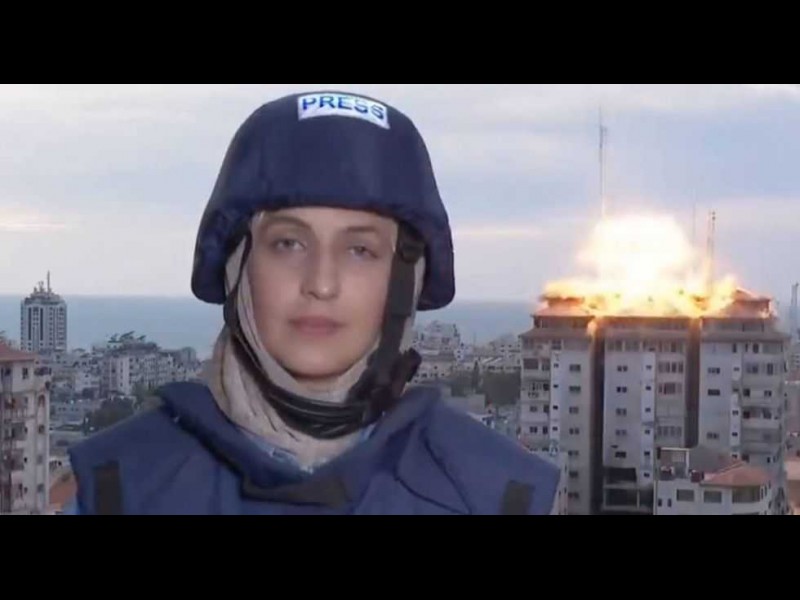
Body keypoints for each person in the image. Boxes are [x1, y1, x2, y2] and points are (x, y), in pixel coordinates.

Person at [65, 90, 561, 515]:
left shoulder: (501, 496)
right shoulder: (116, 489)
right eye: (288, 243)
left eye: (360, 249)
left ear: (405, 280)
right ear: (239, 266)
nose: (321, 283)